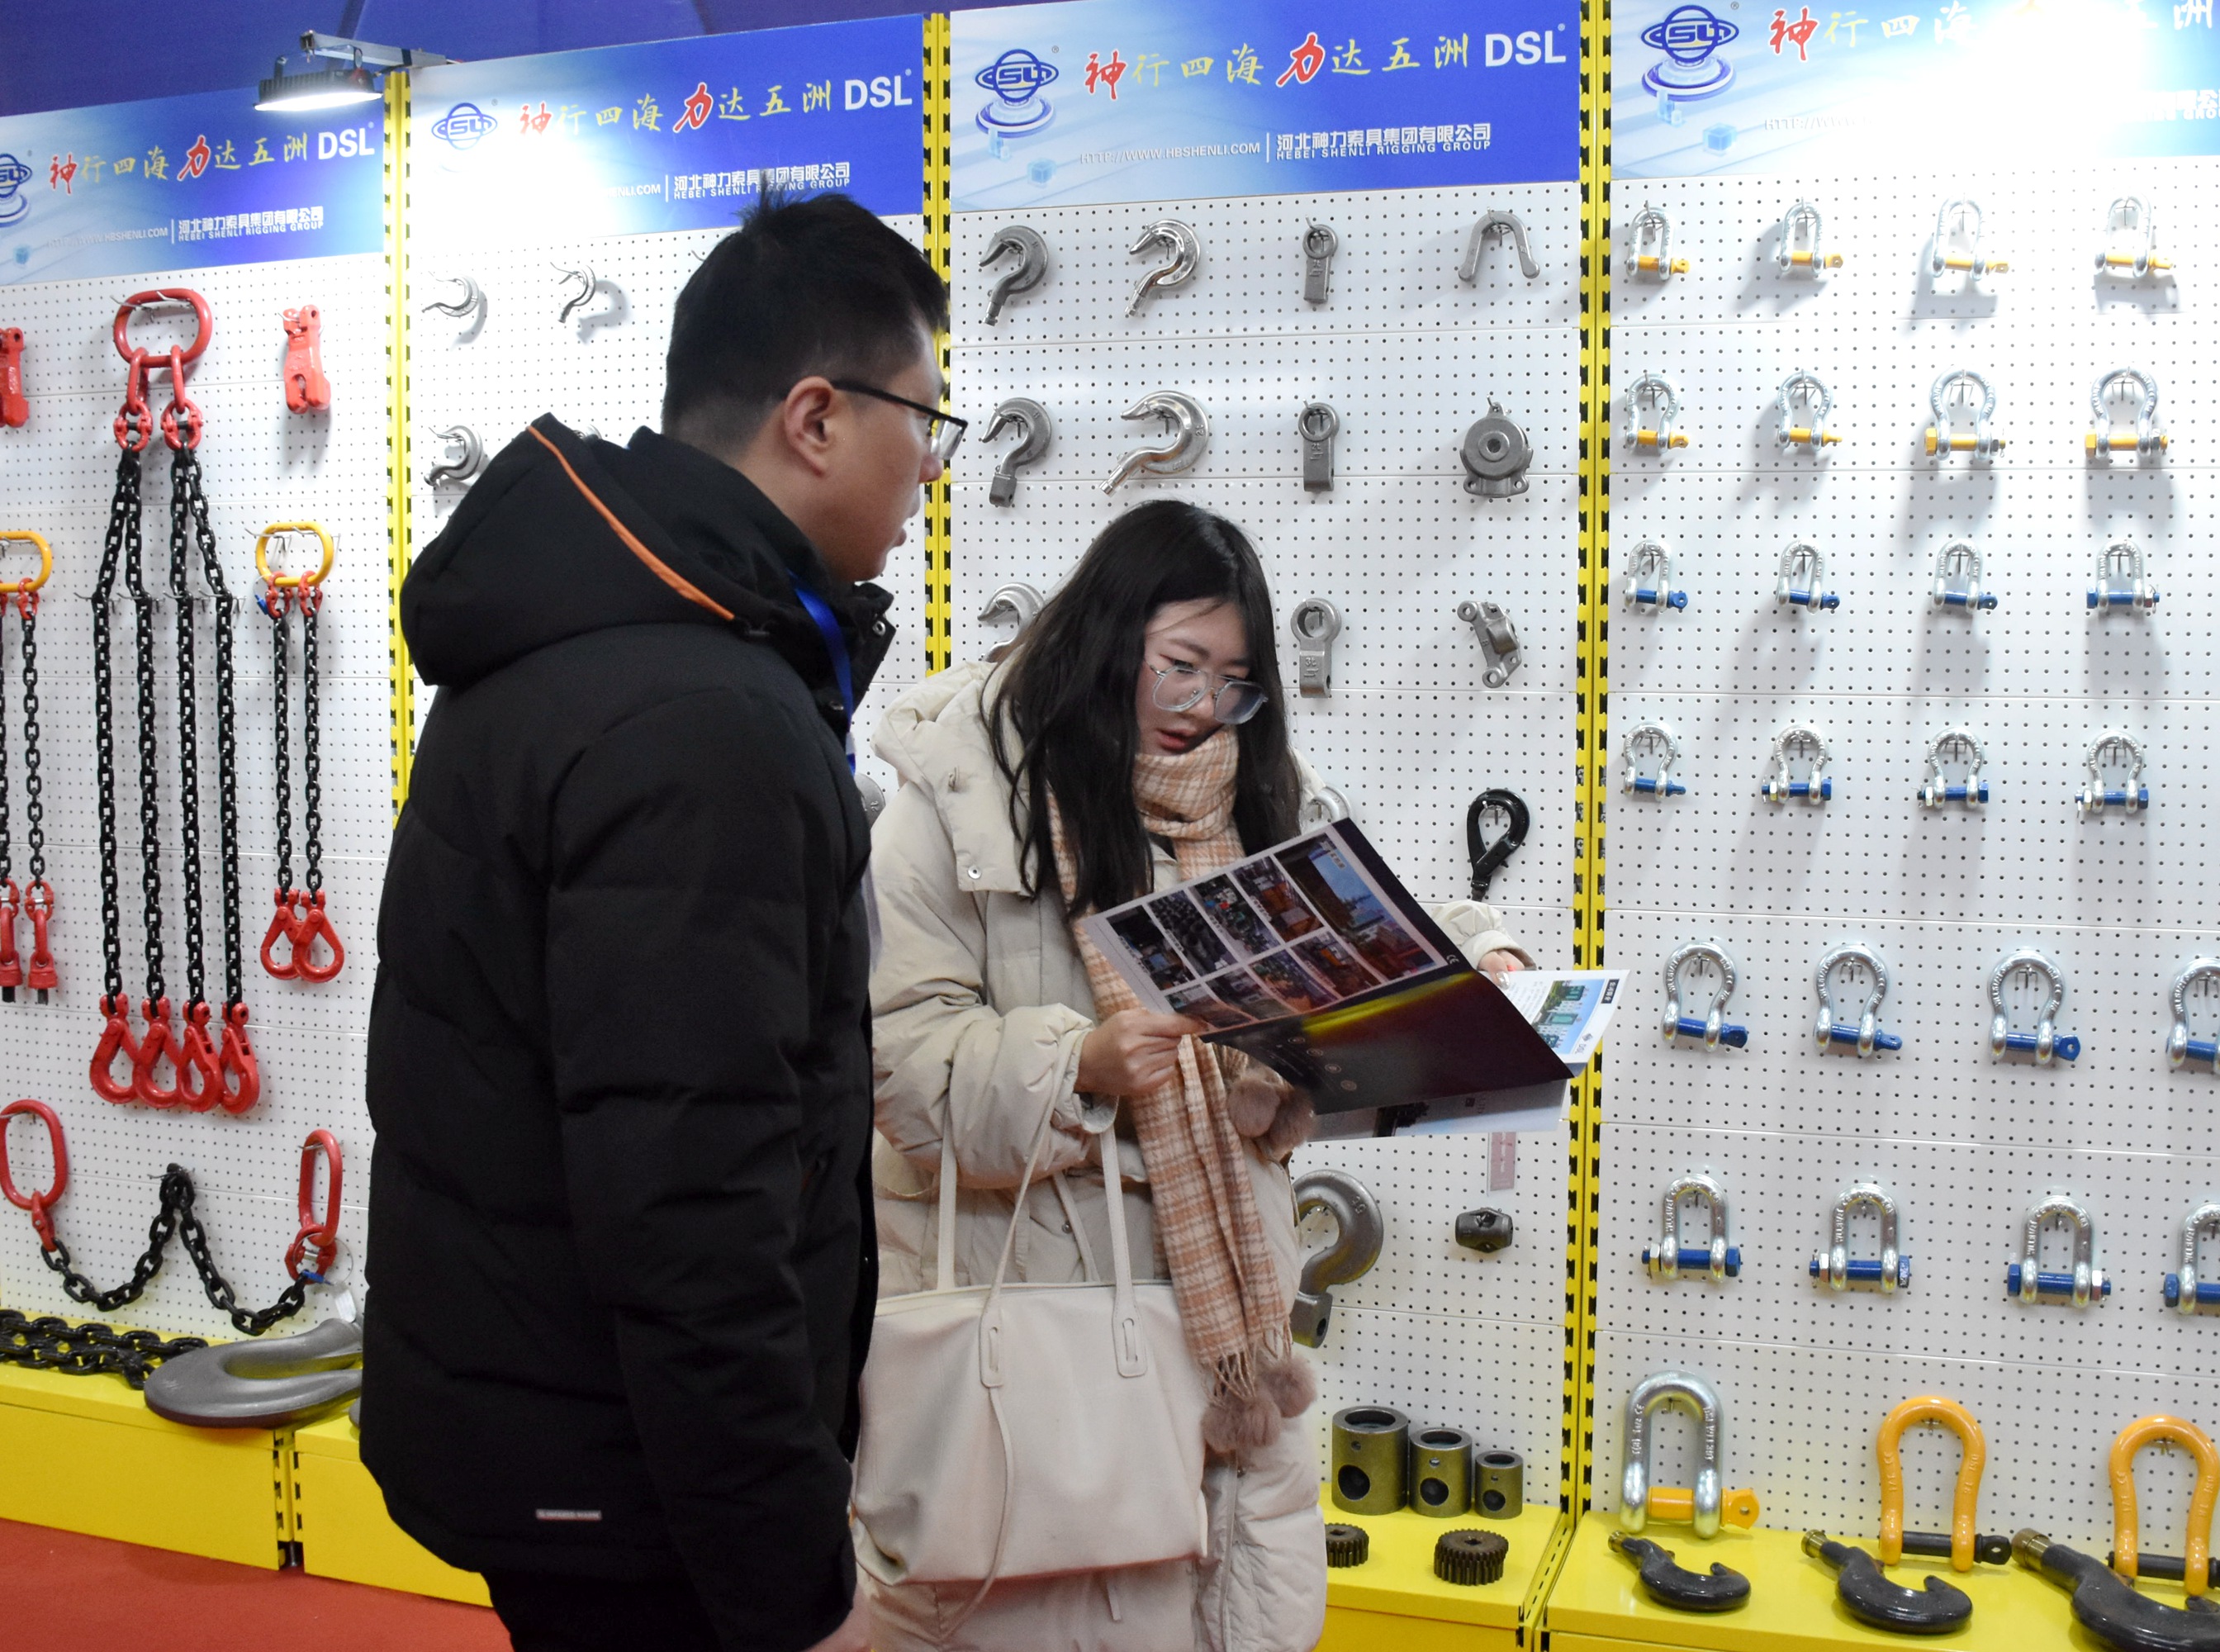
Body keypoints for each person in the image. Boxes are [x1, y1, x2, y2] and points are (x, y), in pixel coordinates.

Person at [362, 192, 951, 1652]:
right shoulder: (700, 715)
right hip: (639, 1488)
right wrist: (790, 1580)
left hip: (562, 1433)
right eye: (926, 418)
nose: (934, 467)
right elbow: (690, 1205)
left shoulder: (592, 640)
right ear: (817, 418)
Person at [864, 501, 1529, 1651]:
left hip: (1226, 1332)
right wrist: (1078, 1064)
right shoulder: (962, 793)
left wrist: (1477, 963)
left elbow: (1362, 934)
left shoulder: (1254, 793)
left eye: (1236, 682)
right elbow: (896, 1059)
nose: (1204, 707)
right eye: (1180, 665)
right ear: (1106, 636)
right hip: (1042, 1339)